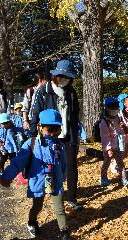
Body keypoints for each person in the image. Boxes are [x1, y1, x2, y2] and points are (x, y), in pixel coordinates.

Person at [1, 109, 77, 240]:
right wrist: (7, 176)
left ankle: (64, 233)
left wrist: (63, 176)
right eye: (49, 130)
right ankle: (32, 221)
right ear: (40, 127)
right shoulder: (32, 144)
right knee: (37, 205)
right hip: (38, 181)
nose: (53, 134)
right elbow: (18, 162)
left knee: (59, 208)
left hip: (55, 181)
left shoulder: (58, 145)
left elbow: (63, 163)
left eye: (56, 130)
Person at [29, 60, 81, 211]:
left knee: (71, 166)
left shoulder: (71, 92)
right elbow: (34, 115)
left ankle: (72, 198)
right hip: (49, 135)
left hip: (68, 134)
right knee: (49, 166)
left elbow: (75, 113)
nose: (63, 79)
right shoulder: (43, 91)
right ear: (55, 75)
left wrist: (75, 132)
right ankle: (50, 192)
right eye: (61, 76)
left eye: (67, 77)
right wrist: (33, 136)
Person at [99, 96, 128, 187]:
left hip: (118, 145)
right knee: (106, 163)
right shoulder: (104, 122)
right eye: (113, 108)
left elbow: (120, 131)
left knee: (120, 162)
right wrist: (108, 149)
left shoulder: (117, 118)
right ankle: (103, 178)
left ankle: (124, 179)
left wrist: (124, 129)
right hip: (109, 147)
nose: (115, 110)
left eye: (116, 108)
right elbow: (105, 137)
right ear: (107, 108)